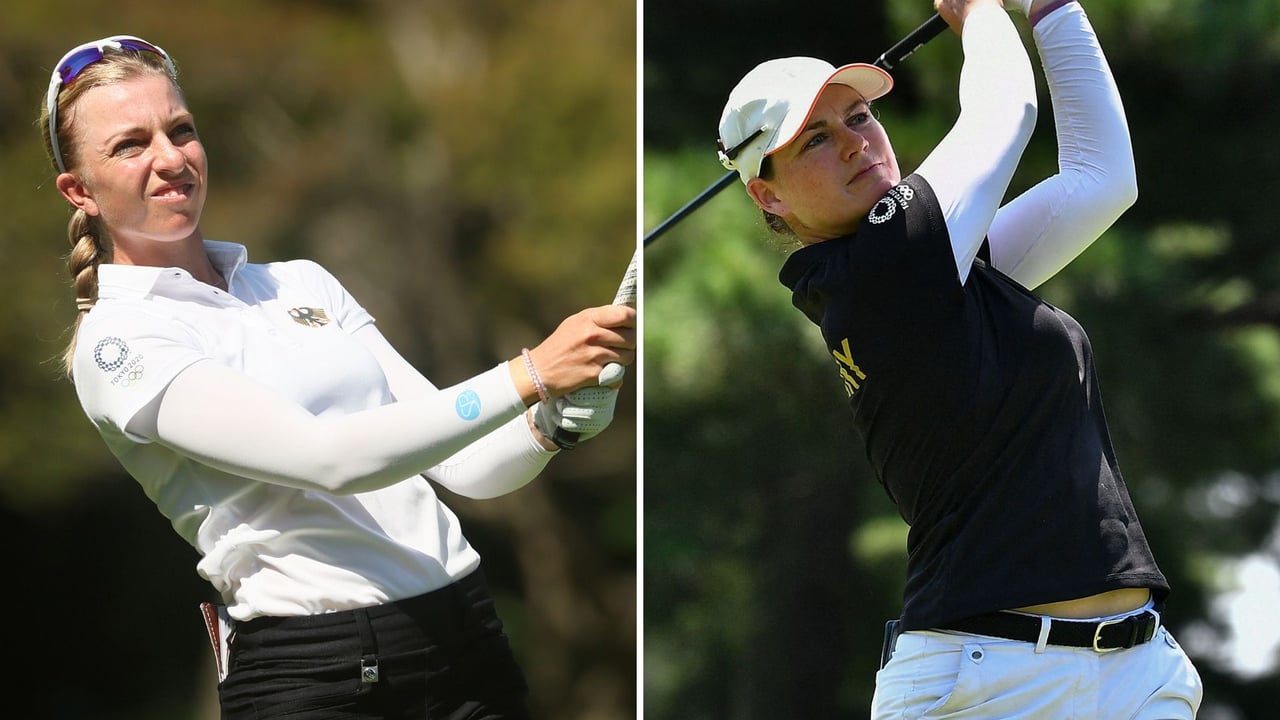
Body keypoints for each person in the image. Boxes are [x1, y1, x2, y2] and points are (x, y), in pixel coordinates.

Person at [40, 34, 635, 719]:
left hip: (466, 641)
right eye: (131, 145)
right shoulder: (117, 343)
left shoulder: (301, 282)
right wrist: (529, 374)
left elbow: (465, 465)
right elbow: (331, 461)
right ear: (79, 190)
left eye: (180, 130)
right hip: (318, 678)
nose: (171, 158)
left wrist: (553, 422)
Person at [716, 0, 1202, 717]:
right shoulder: (887, 266)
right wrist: (978, 12)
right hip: (984, 687)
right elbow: (1006, 110)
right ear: (768, 194)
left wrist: (1051, 10)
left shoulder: (931, 271)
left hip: (1134, 673)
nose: (854, 143)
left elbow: (1102, 179)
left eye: (859, 116)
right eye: (815, 139)